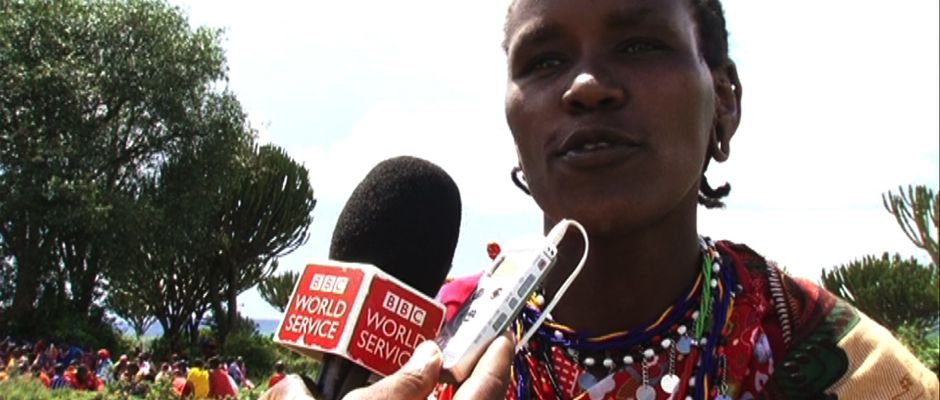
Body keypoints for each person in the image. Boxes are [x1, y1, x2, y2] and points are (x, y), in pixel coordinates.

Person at [264, 0, 940, 399]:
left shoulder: (851, 370)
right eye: (543, 60)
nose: (586, 85)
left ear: (724, 101)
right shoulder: (415, 353)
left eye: (640, 44)